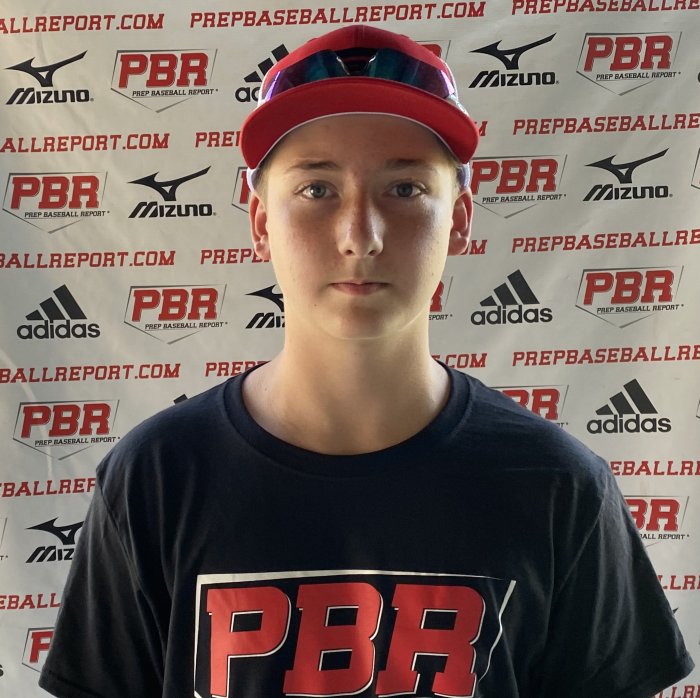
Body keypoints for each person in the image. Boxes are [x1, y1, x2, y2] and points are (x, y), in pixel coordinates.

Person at [40, 25, 693, 698]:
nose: (361, 235)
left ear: (459, 218)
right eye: (317, 190)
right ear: (261, 222)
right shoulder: (157, 478)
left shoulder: (558, 486)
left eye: (404, 189)